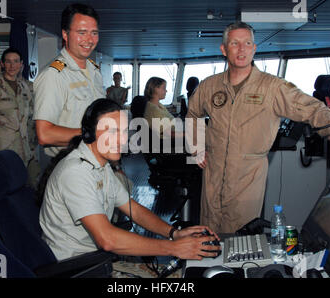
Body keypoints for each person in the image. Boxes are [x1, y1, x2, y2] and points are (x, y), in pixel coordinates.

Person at [186, 22, 330, 234]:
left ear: (254, 48)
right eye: (235, 43)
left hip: (248, 174)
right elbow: (192, 115)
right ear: (224, 49)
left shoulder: (273, 87)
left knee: (240, 237)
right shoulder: (209, 86)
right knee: (208, 233)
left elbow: (312, 109)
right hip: (213, 171)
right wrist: (196, 147)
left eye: (247, 43)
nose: (242, 49)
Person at [39, 98, 220, 262]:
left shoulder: (102, 167)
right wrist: (174, 248)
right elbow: (107, 240)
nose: (122, 139)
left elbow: (134, 209)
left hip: (96, 259)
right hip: (75, 266)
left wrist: (174, 233)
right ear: (89, 134)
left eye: (125, 131)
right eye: (112, 131)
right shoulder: (76, 173)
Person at [33, 3, 105, 159]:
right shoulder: (54, 76)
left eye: (94, 33)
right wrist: (92, 134)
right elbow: (44, 134)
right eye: (82, 32)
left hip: (97, 160)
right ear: (65, 34)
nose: (89, 39)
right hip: (69, 164)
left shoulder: (95, 72)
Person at [0, 47, 40, 188]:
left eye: (15, 62)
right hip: (2, 146)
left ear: (21, 64)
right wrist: (0, 119)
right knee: (4, 188)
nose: (12, 66)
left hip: (27, 148)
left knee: (31, 187)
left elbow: (34, 115)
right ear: (2, 64)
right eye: (8, 62)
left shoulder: (29, 87)